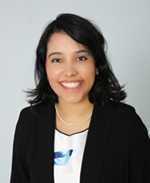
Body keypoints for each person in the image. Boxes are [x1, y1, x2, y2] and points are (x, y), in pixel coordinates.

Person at [10, 13, 150, 183]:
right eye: (57, 60)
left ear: (97, 65)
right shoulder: (30, 122)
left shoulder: (125, 123)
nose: (69, 72)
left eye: (81, 58)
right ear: (45, 67)